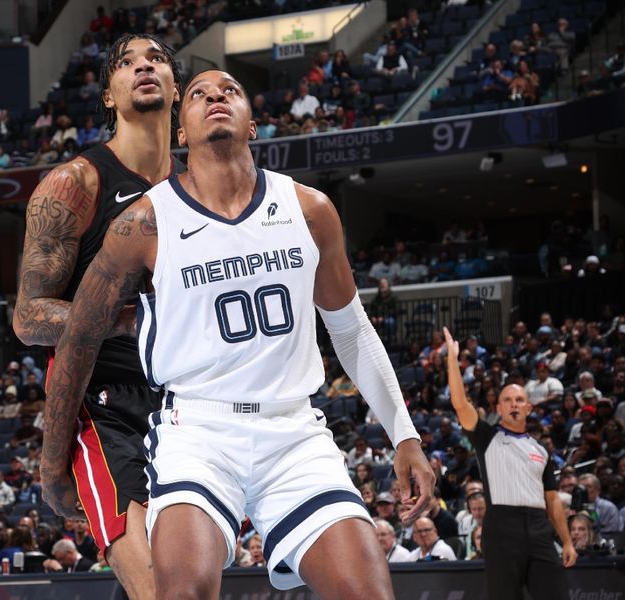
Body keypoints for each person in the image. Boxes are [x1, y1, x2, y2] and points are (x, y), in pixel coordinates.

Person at [42, 68, 433, 599]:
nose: (215, 98)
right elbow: (78, 341)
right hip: (198, 431)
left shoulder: (310, 209)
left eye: (230, 91)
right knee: (180, 594)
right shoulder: (144, 223)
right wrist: (51, 464)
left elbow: (353, 331)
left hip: (294, 432)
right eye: (199, 94)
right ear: (182, 133)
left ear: (253, 125)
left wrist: (404, 433)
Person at [13, 33, 184, 600]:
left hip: (189, 404)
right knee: (160, 589)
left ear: (176, 86)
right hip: (106, 406)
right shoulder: (74, 184)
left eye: (157, 58)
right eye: (127, 62)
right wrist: (127, 319)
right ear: (108, 94)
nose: (144, 66)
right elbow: (30, 317)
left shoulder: (198, 189)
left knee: (185, 583)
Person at [443, 327, 576, 600]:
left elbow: (552, 500)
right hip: (502, 527)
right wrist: (452, 361)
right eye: (507, 400)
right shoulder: (486, 437)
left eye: (519, 399)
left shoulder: (540, 449)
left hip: (539, 527)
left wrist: (567, 541)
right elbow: (459, 403)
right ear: (499, 408)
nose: (513, 404)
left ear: (529, 407)